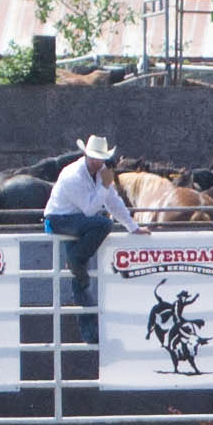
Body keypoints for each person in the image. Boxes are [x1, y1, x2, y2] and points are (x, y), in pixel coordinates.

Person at [42, 135, 143, 331]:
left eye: (100, 158)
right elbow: (90, 209)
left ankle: (90, 333)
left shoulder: (99, 173)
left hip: (77, 221)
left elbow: (113, 202)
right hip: (59, 219)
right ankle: (75, 260)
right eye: (94, 158)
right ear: (86, 155)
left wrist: (133, 226)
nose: (97, 162)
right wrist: (104, 186)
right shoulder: (73, 175)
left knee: (81, 279)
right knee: (103, 224)